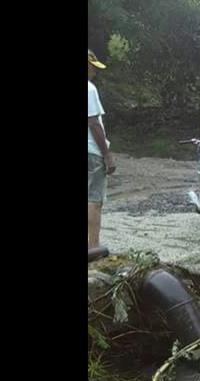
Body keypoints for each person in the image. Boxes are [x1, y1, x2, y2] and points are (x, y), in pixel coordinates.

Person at [88, 50, 115, 249]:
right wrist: (106, 154)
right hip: (91, 152)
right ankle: (93, 246)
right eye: (93, 68)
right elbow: (93, 122)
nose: (95, 73)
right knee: (94, 200)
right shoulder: (89, 89)